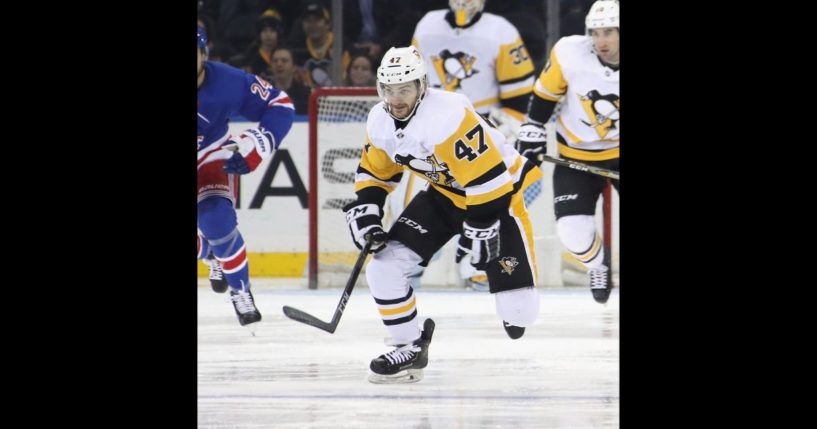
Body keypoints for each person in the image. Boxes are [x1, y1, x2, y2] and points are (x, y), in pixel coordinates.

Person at [343, 46, 542, 383]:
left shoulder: (446, 115)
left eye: (404, 89)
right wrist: (369, 211)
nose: (396, 98)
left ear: (422, 86)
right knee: (384, 267)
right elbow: (377, 172)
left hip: (497, 198)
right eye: (388, 90)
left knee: (521, 313)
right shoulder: (380, 119)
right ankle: (409, 347)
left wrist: (480, 228)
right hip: (445, 196)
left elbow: (489, 181)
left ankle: (514, 303)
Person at [405, 0, 537, 291]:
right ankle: (405, 269)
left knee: (485, 200)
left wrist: (506, 127)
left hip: (479, 138)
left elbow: (521, 98)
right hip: (432, 134)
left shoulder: (501, 32)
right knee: (417, 201)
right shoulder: (427, 25)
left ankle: (480, 268)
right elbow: (409, 81)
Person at [515, 0, 619, 304]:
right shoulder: (570, 52)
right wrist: (533, 128)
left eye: (609, 32)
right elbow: (545, 94)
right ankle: (598, 264)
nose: (600, 41)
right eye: (595, 32)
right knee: (572, 232)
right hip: (576, 154)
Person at [197, 26, 295, 326]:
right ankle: (212, 256)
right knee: (211, 239)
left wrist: (259, 145)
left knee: (216, 221)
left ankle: (240, 289)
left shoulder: (227, 81)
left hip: (210, 154)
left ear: (204, 55)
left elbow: (281, 104)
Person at [269, 46, 311, 115]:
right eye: (275, 61)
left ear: (294, 67)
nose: (279, 64)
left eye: (284, 61)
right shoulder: (264, 94)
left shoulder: (306, 95)